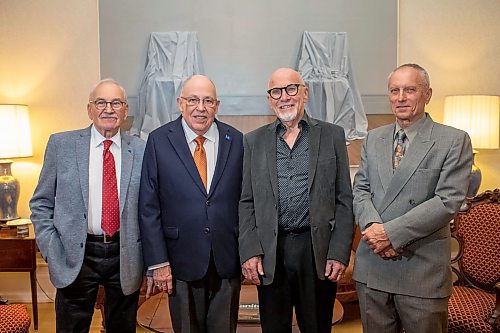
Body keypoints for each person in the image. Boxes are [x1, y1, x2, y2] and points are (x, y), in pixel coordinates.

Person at [352, 63, 473, 333]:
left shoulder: (454, 140)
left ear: (427, 94)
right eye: (394, 90)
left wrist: (391, 235)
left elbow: (447, 201)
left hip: (421, 270)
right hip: (373, 267)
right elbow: (360, 190)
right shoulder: (373, 138)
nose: (401, 97)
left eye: (410, 89)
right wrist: (373, 230)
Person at [239, 67, 354, 333]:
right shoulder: (253, 142)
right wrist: (250, 251)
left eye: (291, 89)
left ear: (305, 94)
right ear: (270, 99)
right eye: (276, 92)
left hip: (316, 250)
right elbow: (246, 202)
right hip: (271, 250)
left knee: (316, 326)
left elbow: (344, 200)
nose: (284, 97)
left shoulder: (332, 136)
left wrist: (338, 252)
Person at [30, 79, 146, 333]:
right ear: (89, 109)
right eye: (100, 102)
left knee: (123, 327)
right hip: (75, 254)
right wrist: (52, 249)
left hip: (124, 254)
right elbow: (41, 203)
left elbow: (151, 208)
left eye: (116, 103)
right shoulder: (61, 145)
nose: (108, 109)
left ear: (125, 110)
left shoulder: (142, 150)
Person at [139, 75, 243, 333]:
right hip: (179, 260)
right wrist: (158, 262)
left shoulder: (237, 140)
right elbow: (148, 206)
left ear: (217, 106)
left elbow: (246, 200)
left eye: (208, 101)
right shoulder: (159, 140)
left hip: (227, 259)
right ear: (180, 103)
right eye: (193, 100)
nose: (201, 107)